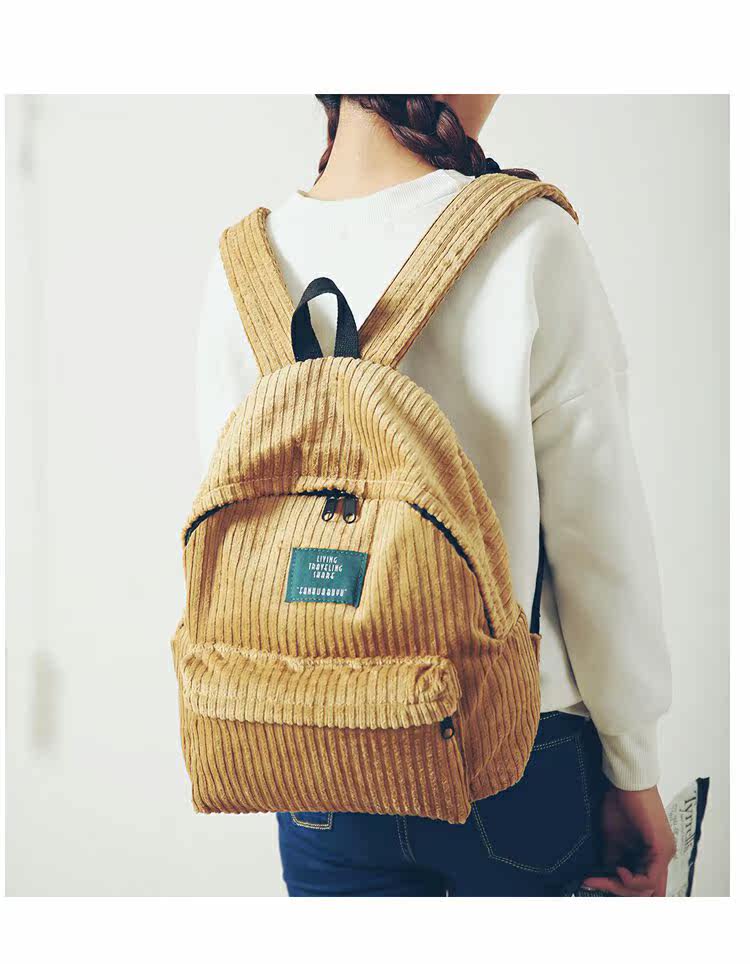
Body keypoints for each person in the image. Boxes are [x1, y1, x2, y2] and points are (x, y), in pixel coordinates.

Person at [197, 94, 675, 897]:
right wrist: (635, 765)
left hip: (309, 748)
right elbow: (599, 539)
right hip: (514, 755)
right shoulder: (527, 237)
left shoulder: (244, 262)